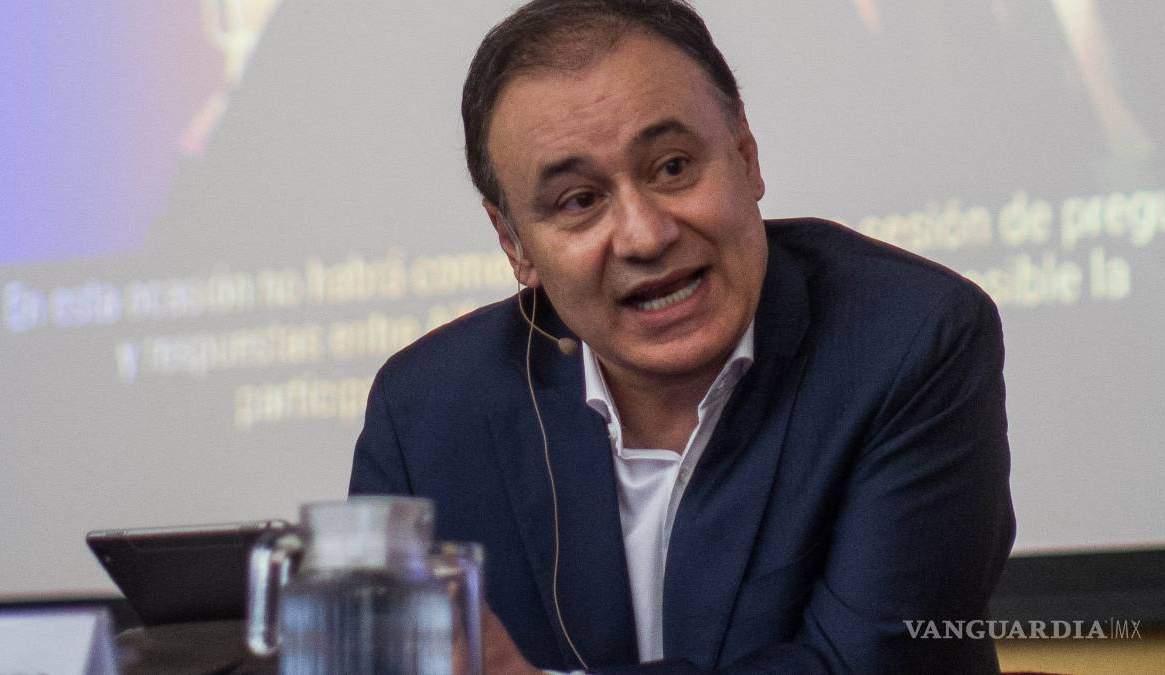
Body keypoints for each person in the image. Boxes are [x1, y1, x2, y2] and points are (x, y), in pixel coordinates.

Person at [350, 1, 1015, 672]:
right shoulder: (425, 414)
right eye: (579, 201)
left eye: (672, 167)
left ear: (746, 157)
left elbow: (864, 665)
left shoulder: (909, 342)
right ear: (515, 244)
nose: (645, 236)